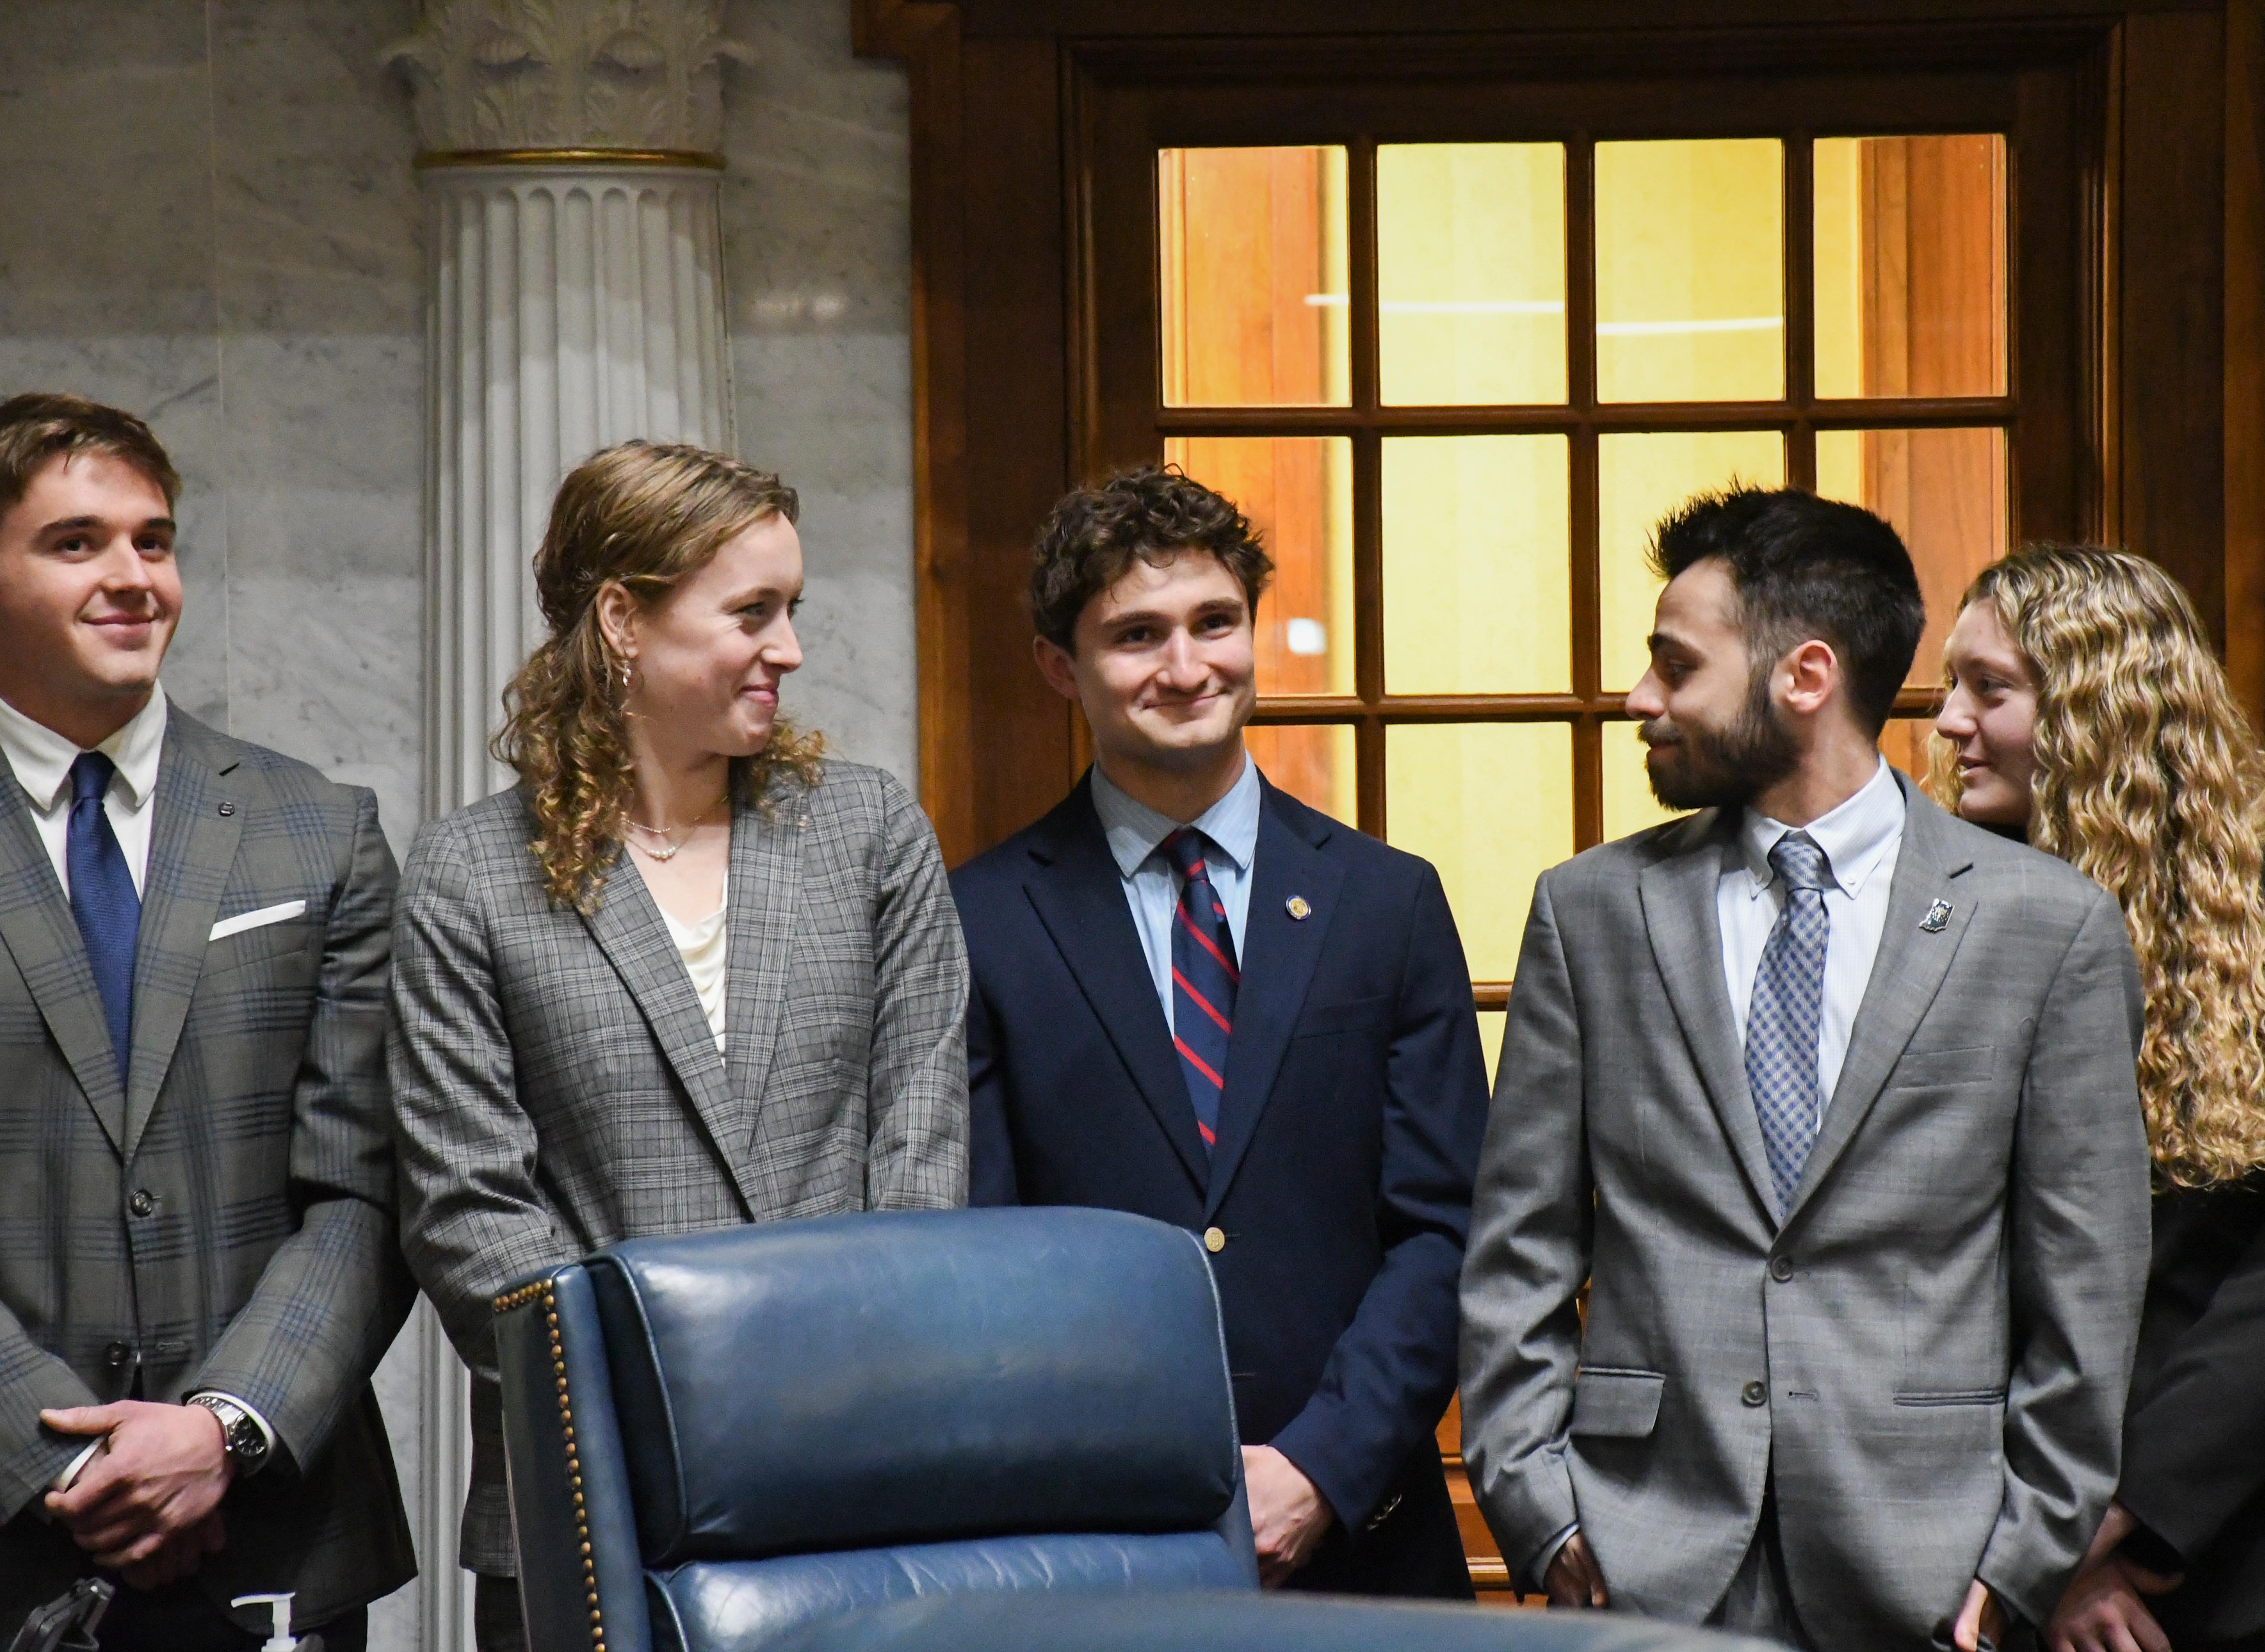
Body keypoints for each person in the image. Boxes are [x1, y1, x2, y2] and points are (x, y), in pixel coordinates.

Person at [1458, 485, 2152, 1651]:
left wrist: (2019, 1562)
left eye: (1677, 664)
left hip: (1931, 1568)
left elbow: (2087, 1290)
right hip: (1643, 1559)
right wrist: (1546, 1513)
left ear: (1805, 675)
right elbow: (1517, 1254)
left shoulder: (2046, 925)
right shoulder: (1591, 911)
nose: (1641, 698)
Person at [389, 441, 971, 1652]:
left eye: (792, 609)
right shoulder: (472, 871)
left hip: (852, 1479)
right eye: (752, 612)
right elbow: (467, 1209)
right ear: (623, 620)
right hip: (588, 1495)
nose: (790, 648)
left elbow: (921, 1148)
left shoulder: (869, 832)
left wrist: (840, 1378)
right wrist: (670, 1388)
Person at [951, 466, 1490, 1596]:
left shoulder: (1386, 902)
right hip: (1102, 1545)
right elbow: (984, 1256)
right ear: (1059, 666)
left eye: (1215, 622)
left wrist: (1321, 1466)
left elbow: (1447, 1228)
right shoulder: (982, 920)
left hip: (1369, 1540)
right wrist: (1139, 1487)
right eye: (1136, 635)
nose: (1188, 666)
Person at [1931, 545, 2265, 1652]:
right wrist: (2033, 1551)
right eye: (1952, 685)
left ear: (2099, 712)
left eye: (1989, 688)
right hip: (1991, 1550)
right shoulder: (1938, 918)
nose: (1950, 720)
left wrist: (2119, 1524)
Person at [0, 393, 413, 1649]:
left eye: (155, 540)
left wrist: (224, 1427)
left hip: (270, 1544)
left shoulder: (321, 830)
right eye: (76, 543)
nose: (134, 576)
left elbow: (364, 1189)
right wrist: (65, 1458)